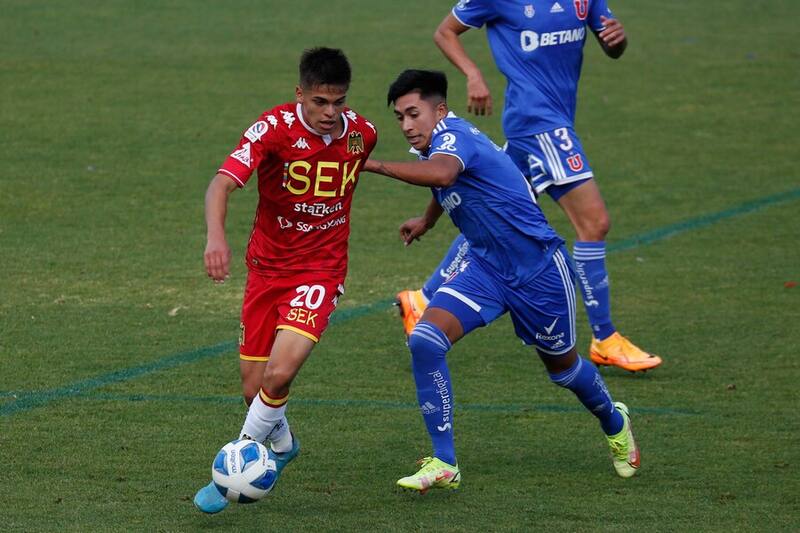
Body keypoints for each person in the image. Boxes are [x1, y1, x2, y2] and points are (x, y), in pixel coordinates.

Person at [365, 69, 639, 493]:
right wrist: (427, 220)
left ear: (440, 110)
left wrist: (372, 165)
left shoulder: (454, 136)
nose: (406, 125)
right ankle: (445, 462)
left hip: (539, 272)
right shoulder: (435, 146)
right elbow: (445, 183)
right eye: (400, 117)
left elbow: (444, 175)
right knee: (425, 341)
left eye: (413, 114)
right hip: (485, 268)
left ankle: (614, 421)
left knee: (564, 370)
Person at [394, 0, 662, 373]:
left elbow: (611, 44)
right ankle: (605, 338)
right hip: (538, 124)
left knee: (497, 213)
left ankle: (422, 299)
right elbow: (445, 31)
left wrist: (617, 40)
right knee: (594, 223)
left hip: (548, 122)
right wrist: (473, 74)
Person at [194, 47, 377, 513]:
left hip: (321, 270)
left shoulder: (363, 134)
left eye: (339, 102)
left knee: (279, 374)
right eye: (320, 102)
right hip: (266, 270)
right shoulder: (273, 129)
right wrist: (216, 238)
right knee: (254, 389)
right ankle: (284, 443)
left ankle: (234, 466)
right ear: (300, 94)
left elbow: (358, 161)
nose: (330, 113)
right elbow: (220, 183)